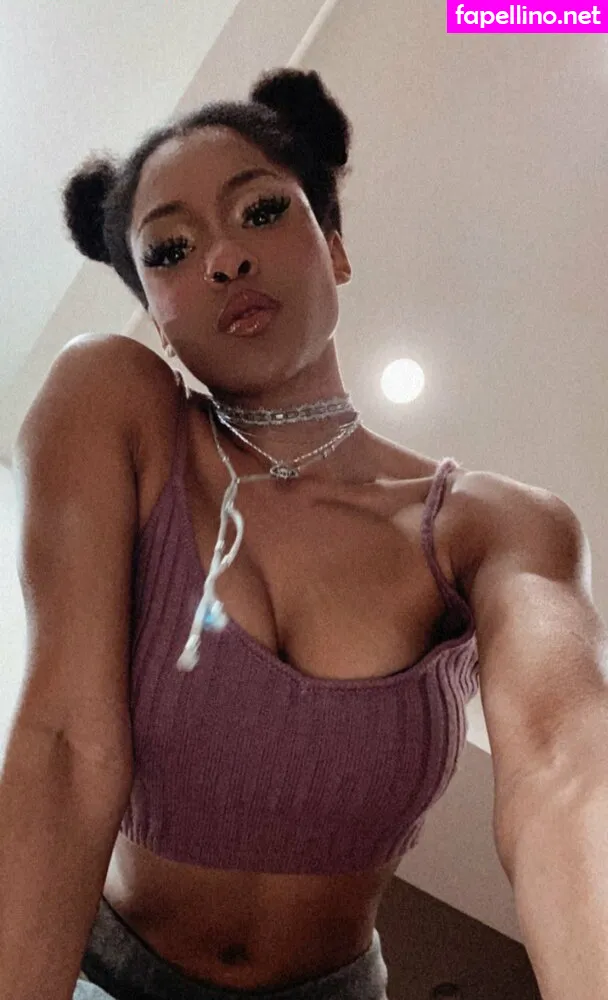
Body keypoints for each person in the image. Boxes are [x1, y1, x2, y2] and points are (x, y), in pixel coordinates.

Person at [5, 68, 482, 1000]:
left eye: (260, 212)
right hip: (96, 968)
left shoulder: (487, 523)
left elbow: (565, 764)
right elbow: (63, 744)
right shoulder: (116, 409)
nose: (222, 258)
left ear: (335, 246)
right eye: (170, 250)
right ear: (156, 317)